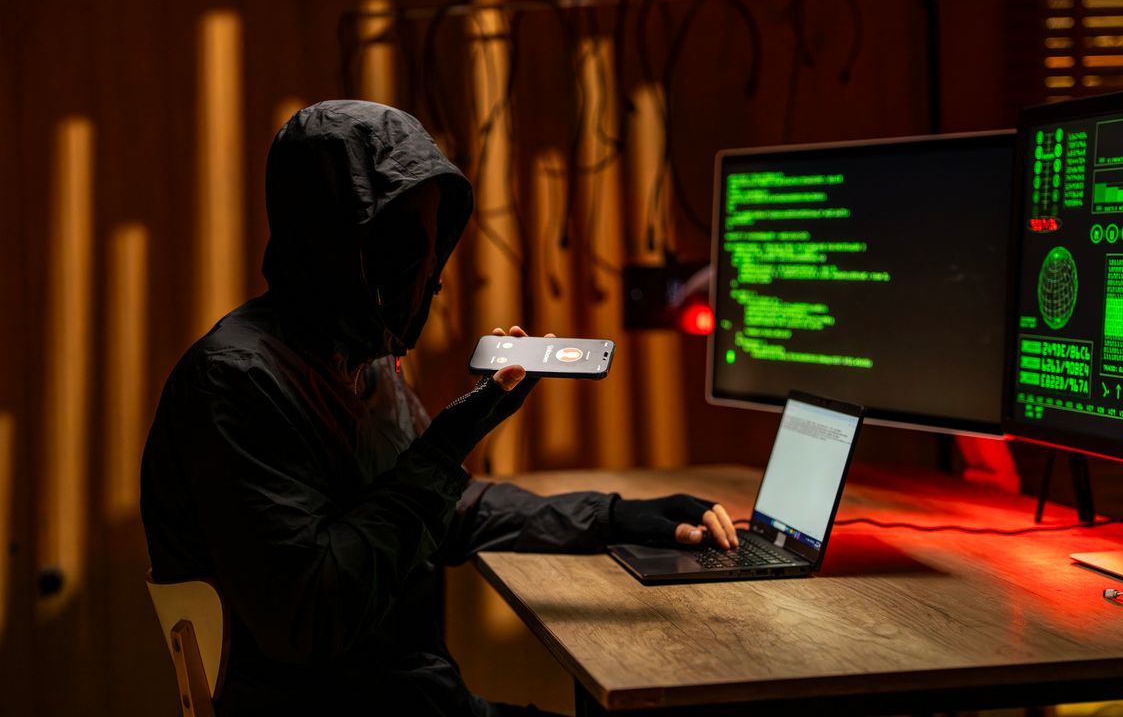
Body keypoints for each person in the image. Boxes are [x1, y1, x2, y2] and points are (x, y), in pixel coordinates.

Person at [140, 100, 739, 716]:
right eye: (411, 249)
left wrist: (620, 518)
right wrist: (449, 441)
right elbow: (313, 616)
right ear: (346, 249)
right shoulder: (236, 386)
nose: (433, 277)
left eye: (432, 248)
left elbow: (447, 510)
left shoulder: (355, 356)